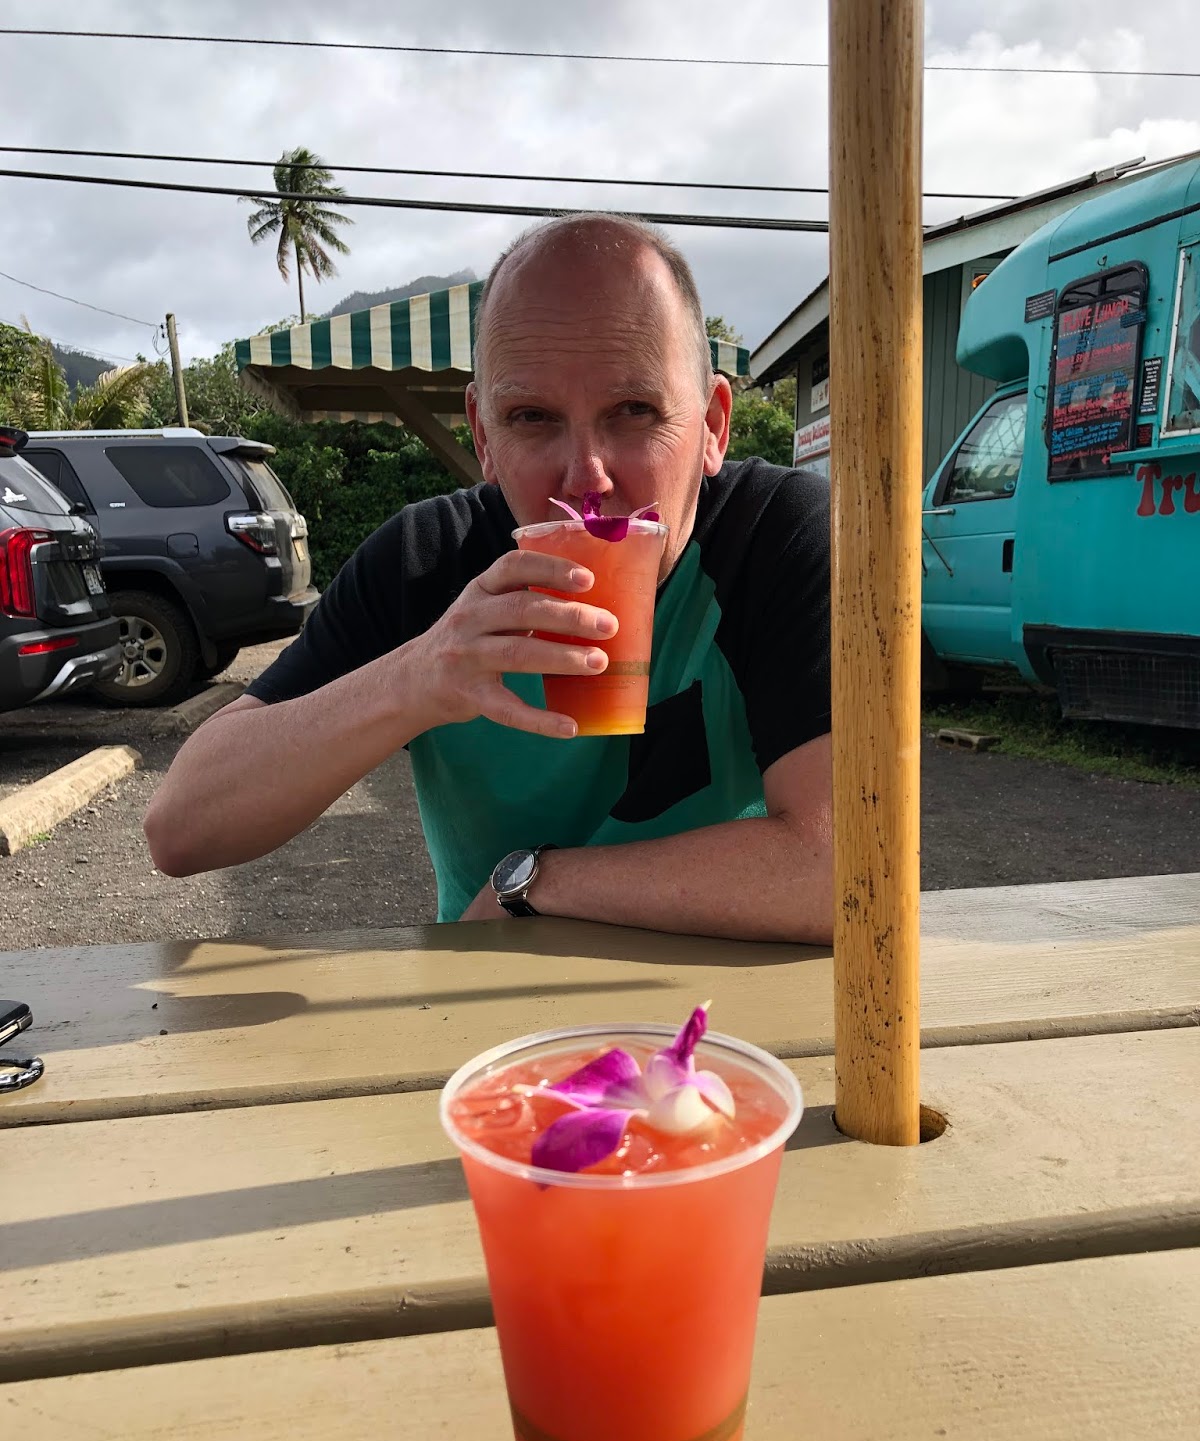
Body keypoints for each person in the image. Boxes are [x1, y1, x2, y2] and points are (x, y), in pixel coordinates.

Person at [145, 213, 833, 942]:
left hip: (728, 992)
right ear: (482, 434)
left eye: (634, 411)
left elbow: (845, 866)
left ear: (713, 426)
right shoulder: (421, 562)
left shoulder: (780, 539)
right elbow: (181, 829)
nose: (586, 478)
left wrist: (538, 884)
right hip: (488, 1000)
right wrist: (418, 677)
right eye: (532, 417)